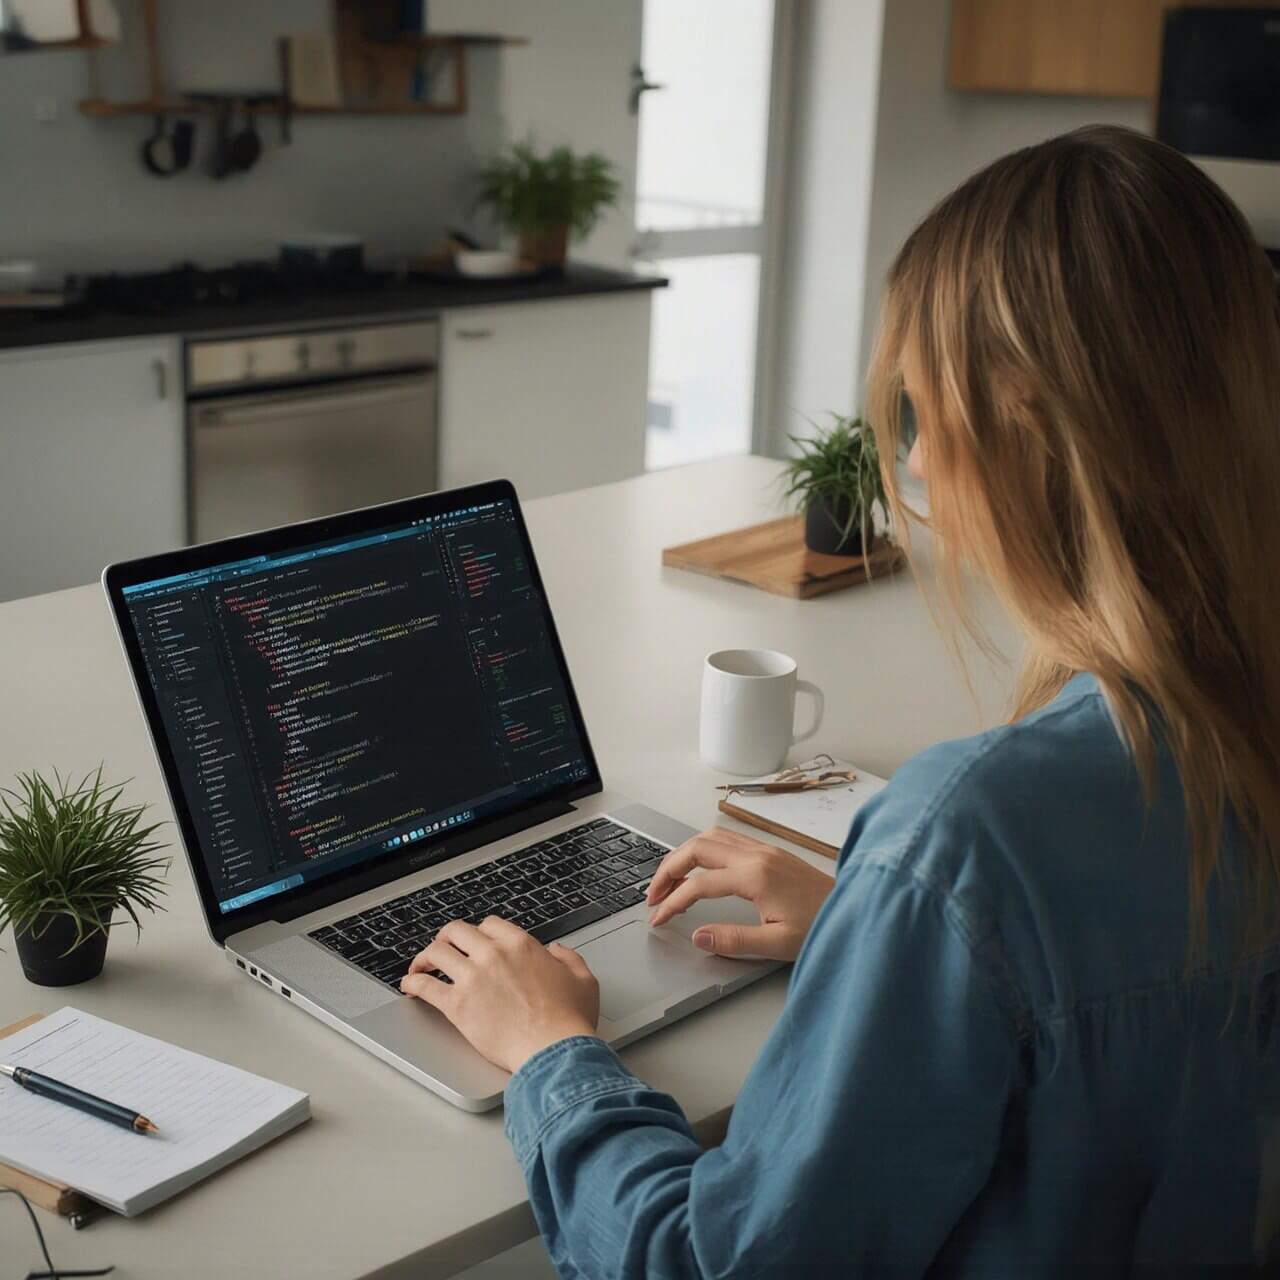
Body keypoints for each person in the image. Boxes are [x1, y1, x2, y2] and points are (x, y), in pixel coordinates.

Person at [400, 126, 1280, 1275]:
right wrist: (898, 942)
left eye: (918, 410)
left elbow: (708, 1265)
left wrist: (551, 1047)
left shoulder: (970, 830)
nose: (910, 465)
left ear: (1020, 420)